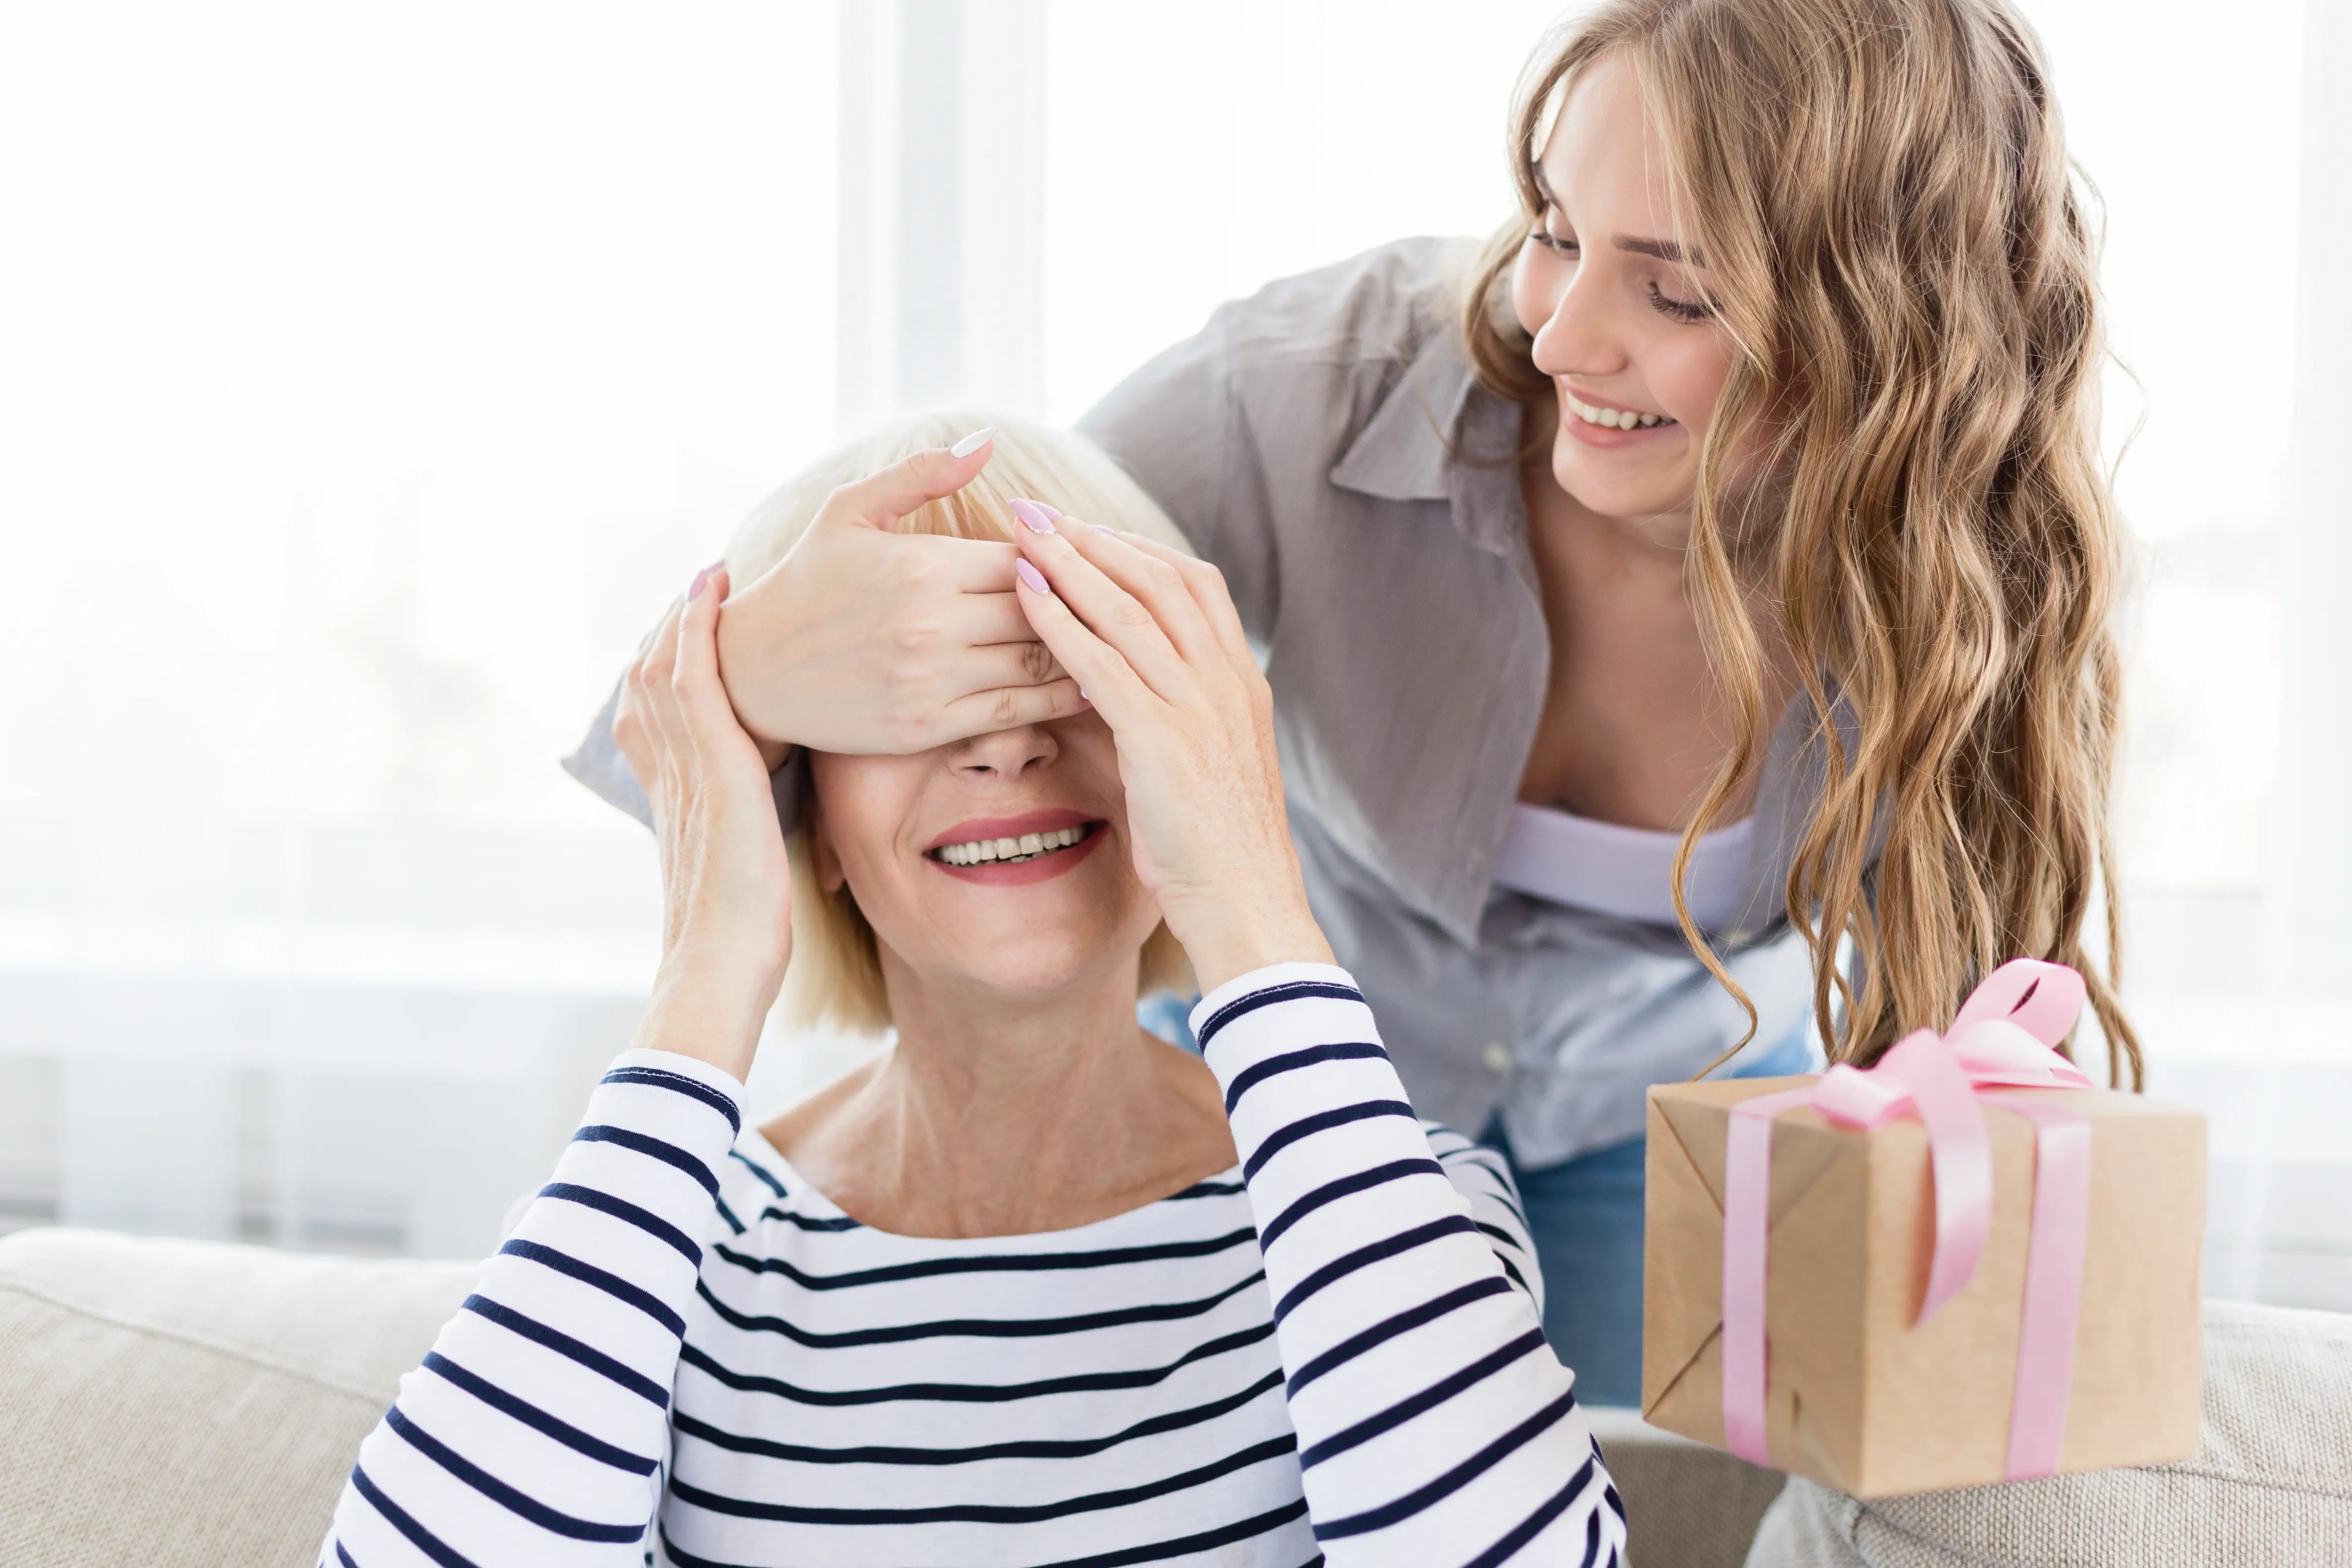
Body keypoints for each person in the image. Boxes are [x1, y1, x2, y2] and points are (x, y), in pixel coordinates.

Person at [565, 0, 2139, 1406]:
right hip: (1272, 1072)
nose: (1560, 329)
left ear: (1892, 348)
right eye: (1553, 228)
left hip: (1653, 1130)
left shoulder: (1973, 576)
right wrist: (756, 667)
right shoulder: (1307, 391)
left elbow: (1989, 1041)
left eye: (1676, 293)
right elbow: (884, 667)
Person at [320, 416, 1626, 1568]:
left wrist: (1248, 894)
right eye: (914, 697)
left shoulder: (1396, 1207)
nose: (1007, 739)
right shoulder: (685, 1247)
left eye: (1070, 670)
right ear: (807, 814)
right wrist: (707, 956)